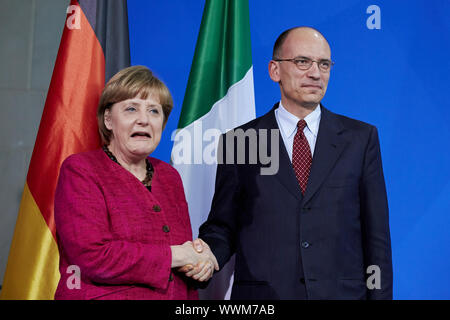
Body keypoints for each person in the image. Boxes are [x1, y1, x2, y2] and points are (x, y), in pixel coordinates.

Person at [196, 27, 393, 299]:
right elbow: (224, 225)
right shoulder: (240, 141)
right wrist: (206, 255)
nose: (315, 73)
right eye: (303, 62)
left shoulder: (361, 139)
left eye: (324, 64)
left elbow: (376, 239)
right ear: (274, 70)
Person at [54, 65, 218, 300]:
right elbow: (92, 256)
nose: (144, 120)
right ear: (108, 119)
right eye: (131, 109)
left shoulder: (170, 176)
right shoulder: (81, 170)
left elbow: (181, 258)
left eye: (154, 111)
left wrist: (200, 263)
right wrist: (178, 255)